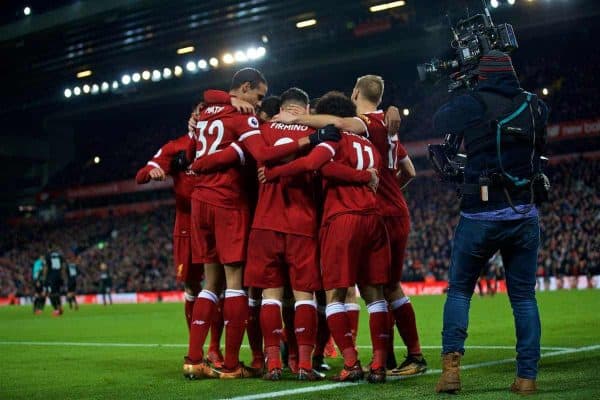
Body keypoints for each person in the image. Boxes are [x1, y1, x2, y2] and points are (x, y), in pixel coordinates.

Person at [183, 68, 341, 380]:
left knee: (246, 292)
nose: (256, 105)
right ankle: (302, 362)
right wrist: (313, 137)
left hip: (248, 219)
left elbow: (218, 148)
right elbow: (299, 160)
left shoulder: (247, 124)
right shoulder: (263, 125)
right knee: (300, 296)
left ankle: (262, 362)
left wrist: (200, 161)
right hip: (289, 219)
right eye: (255, 97)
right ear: (306, 110)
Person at [272, 75, 426, 376]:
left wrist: (296, 120)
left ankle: (365, 359)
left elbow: (325, 152)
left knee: (342, 292)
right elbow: (409, 170)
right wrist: (382, 185)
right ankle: (385, 359)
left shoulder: (361, 126)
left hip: (354, 215)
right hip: (383, 213)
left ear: (356, 92)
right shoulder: (383, 131)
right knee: (377, 290)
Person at [431, 51, 548, 395]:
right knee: (524, 299)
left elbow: (441, 121)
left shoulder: (474, 101)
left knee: (460, 291)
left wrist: (463, 92)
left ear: (481, 77)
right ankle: (526, 378)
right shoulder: (535, 105)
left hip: (480, 213)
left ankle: (451, 373)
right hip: (525, 213)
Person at [260, 91, 390, 383]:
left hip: (342, 218)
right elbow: (377, 175)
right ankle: (379, 365)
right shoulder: (371, 145)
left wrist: (275, 172)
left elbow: (314, 165)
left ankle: (351, 362)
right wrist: (365, 176)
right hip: (375, 220)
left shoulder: (334, 139)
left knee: (334, 295)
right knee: (374, 296)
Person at [43, 248, 67, 316]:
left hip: (51, 277)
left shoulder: (48, 256)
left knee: (51, 294)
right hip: (59, 277)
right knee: (57, 293)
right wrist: (63, 277)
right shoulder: (60, 256)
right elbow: (63, 267)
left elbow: (46, 267)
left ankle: (56, 309)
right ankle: (60, 307)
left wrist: (44, 278)